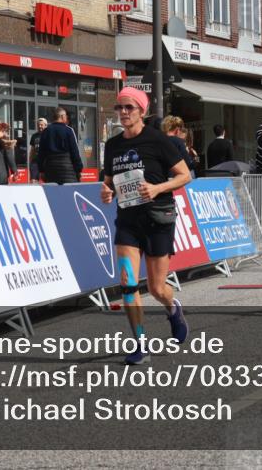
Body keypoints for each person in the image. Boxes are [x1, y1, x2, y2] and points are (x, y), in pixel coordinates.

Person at [100, 87, 191, 365]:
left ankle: (173, 308)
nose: (123, 113)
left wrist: (157, 187)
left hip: (157, 219)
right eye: (119, 108)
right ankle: (139, 343)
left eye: (129, 107)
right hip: (128, 222)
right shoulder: (113, 145)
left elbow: (185, 175)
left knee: (156, 288)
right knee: (128, 282)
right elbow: (109, 179)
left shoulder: (158, 140)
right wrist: (106, 191)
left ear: (142, 111)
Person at [37, 107, 83, 184]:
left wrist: (41, 170)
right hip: (67, 170)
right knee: (68, 194)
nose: (67, 117)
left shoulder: (45, 132)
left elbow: (41, 154)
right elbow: (75, 152)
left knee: (53, 194)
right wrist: (78, 169)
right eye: (66, 116)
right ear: (62, 117)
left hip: (50, 169)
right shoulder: (68, 130)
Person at [29, 117, 47, 182]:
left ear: (45, 125)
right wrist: (30, 162)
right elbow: (32, 150)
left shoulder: (49, 135)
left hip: (46, 162)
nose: (39, 126)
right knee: (33, 181)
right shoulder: (34, 136)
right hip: (35, 162)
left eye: (41, 125)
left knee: (47, 181)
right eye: (38, 125)